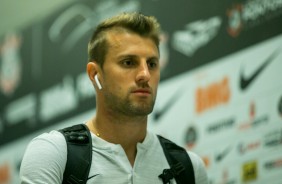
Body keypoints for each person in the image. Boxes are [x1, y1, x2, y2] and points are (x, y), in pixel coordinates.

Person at [20, 12, 208, 184]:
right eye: (128, 62)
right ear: (95, 74)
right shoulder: (53, 153)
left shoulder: (190, 168)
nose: (145, 75)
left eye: (152, 63)